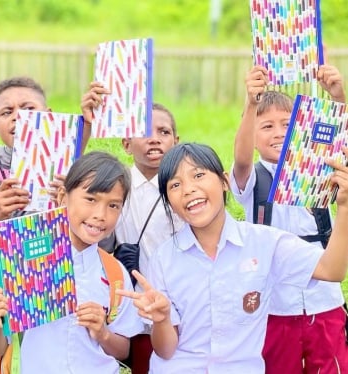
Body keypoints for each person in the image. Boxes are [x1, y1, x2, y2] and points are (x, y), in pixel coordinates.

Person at [120, 142, 348, 373]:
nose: (188, 189)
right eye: (175, 185)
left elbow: (332, 270)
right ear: (169, 201)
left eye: (198, 175)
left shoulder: (264, 243)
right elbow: (165, 350)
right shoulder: (163, 258)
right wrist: (161, 320)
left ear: (224, 181)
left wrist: (345, 206)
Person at [0, 76, 91, 372]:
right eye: (7, 112)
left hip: (62, 305)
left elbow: (99, 240)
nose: (18, 116)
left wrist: (70, 208)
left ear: (49, 114)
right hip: (2, 309)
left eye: (28, 108)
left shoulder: (71, 175)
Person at [0, 151, 143, 373]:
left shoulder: (114, 273)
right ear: (63, 198)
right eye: (91, 199)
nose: (100, 214)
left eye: (113, 205)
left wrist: (102, 332)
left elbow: (123, 350)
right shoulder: (24, 259)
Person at [231, 64, 348, 373]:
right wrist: (251, 103)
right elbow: (241, 159)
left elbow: (337, 139)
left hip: (324, 301)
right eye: (266, 126)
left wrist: (337, 97)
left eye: (287, 124)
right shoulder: (252, 180)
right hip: (274, 306)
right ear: (251, 135)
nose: (279, 132)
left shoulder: (320, 169)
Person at [81, 81, 183, 374]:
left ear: (176, 140)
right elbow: (77, 187)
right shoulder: (117, 185)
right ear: (125, 143)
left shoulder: (185, 187)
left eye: (163, 132)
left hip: (180, 301)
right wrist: (87, 126)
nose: (155, 139)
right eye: (144, 132)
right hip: (135, 307)